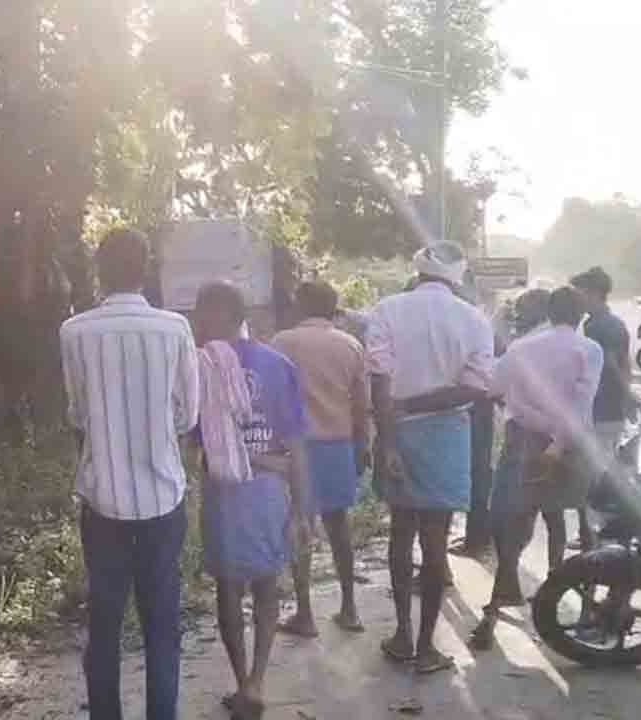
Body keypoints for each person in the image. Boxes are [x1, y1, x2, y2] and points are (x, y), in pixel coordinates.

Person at [59, 228, 199, 720]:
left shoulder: (74, 331)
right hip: (164, 497)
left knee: (105, 620)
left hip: (102, 500)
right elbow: (187, 415)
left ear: (100, 269)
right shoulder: (174, 329)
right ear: (147, 269)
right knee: (162, 623)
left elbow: (76, 415)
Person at [366, 242, 494, 674]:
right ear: (458, 276)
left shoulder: (387, 309)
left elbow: (379, 381)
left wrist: (386, 439)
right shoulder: (474, 320)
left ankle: (401, 635)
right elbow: (476, 388)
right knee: (435, 541)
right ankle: (426, 649)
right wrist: (419, 405)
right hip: (446, 436)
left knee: (400, 535)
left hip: (395, 431)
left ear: (417, 270)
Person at [191, 281, 309, 720]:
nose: (196, 324)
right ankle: (257, 681)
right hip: (267, 490)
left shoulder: (199, 367)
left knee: (228, 589)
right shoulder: (277, 365)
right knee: (265, 584)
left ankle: (244, 681)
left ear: (218, 314)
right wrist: (301, 507)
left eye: (200, 315)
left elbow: (191, 439)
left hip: (224, 492)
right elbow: (296, 445)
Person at [470, 287, 602, 649]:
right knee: (572, 521)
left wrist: (519, 406)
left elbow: (493, 386)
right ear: (581, 315)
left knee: (515, 525)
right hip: (570, 446)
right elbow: (581, 403)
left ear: (548, 311)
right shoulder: (588, 349)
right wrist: (559, 446)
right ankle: (574, 599)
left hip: (523, 441)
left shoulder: (522, 348)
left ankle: (493, 613)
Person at [272, 281, 369, 636]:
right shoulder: (350, 345)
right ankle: (350, 607)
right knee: (339, 527)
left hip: (296, 447)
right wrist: (364, 446)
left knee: (300, 527)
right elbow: (361, 405)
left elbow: (272, 396)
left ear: (300, 305)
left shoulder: (283, 343)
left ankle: (305, 613)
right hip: (338, 444)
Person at [455, 288, 553, 557]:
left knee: (508, 497)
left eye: (523, 309)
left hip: (520, 424)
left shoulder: (527, 343)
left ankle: (497, 555)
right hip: (547, 427)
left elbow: (495, 384)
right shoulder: (552, 338)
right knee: (543, 505)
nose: (518, 315)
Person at [570, 267, 634, 549]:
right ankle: (595, 535)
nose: (577, 298)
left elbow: (609, 362)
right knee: (602, 470)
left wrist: (625, 393)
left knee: (591, 475)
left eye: (580, 292)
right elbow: (624, 363)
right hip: (611, 408)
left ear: (593, 293)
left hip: (600, 408)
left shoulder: (596, 327)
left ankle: (591, 537)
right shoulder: (614, 323)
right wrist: (627, 395)